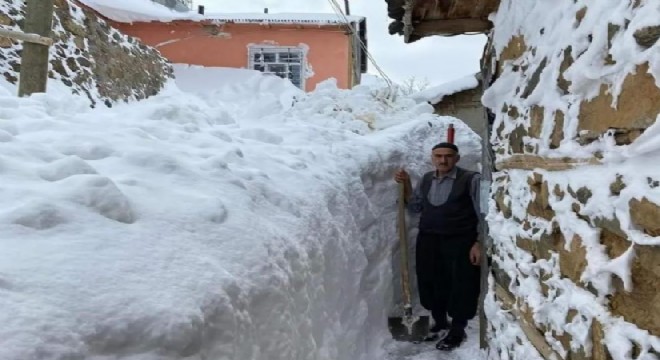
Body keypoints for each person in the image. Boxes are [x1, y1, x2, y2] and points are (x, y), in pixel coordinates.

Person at [394, 142, 482, 351]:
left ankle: (458, 329)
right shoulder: (426, 179)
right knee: (431, 281)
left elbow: (484, 212)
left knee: (461, 284)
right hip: (430, 240)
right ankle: (440, 322)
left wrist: (479, 242)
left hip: (460, 241)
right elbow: (416, 206)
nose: (443, 160)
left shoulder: (471, 179)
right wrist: (406, 184)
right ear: (432, 158)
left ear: (457, 158)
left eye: (448, 156)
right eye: (438, 156)